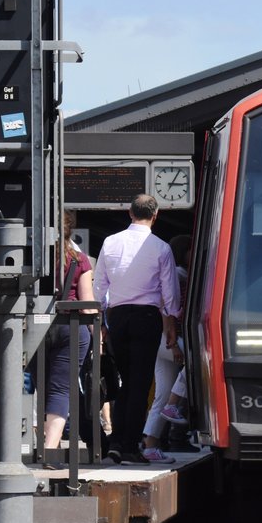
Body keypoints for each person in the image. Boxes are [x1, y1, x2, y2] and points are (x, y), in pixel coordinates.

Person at [94, 194, 181, 465]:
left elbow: (100, 285)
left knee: (123, 381)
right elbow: (170, 294)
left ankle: (117, 443)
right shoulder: (161, 248)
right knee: (140, 384)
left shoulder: (110, 242)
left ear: (130, 214)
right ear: (155, 216)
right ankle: (130, 446)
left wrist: (101, 316)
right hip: (147, 317)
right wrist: (171, 320)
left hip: (118, 317)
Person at [44, 210, 96, 460]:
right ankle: (50, 449)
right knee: (61, 389)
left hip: (39, 327)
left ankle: (34, 442)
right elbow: (87, 302)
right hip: (72, 328)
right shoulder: (80, 261)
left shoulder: (35, 259)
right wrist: (97, 334)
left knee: (41, 387)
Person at [141, 235, 191, 461]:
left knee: (161, 394)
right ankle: (174, 405)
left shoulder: (175, 275)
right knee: (198, 363)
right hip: (168, 338)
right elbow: (167, 308)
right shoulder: (180, 276)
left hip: (159, 339)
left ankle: (150, 445)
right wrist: (174, 343)